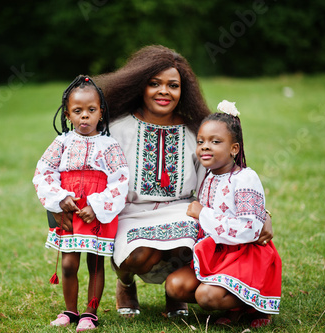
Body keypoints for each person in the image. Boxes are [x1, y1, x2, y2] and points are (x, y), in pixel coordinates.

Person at [49, 45, 273, 318]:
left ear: (183, 91)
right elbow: (78, 170)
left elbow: (222, 180)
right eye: (154, 84)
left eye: (173, 85)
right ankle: (126, 282)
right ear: (140, 86)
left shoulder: (195, 131)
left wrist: (263, 214)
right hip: (128, 211)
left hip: (180, 208)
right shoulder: (116, 128)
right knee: (140, 255)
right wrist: (57, 207)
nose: (163, 91)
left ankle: (173, 291)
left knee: (186, 238)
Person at [165, 100, 282, 328]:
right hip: (217, 252)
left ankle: (248, 306)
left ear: (234, 149)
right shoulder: (209, 174)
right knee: (174, 285)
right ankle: (230, 303)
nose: (205, 147)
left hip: (244, 254)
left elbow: (249, 228)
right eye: (201, 142)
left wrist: (203, 214)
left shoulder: (245, 178)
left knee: (206, 297)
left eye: (215, 142)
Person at [33, 75, 130, 331]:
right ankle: (69, 310)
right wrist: (59, 198)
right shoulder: (61, 142)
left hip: (96, 213)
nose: (84, 116)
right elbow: (43, 172)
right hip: (70, 210)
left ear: (101, 112)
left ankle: (90, 313)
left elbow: (120, 181)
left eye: (91, 110)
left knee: (95, 263)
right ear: (67, 114)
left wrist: (97, 206)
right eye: (78, 111)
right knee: (68, 263)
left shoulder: (109, 146)